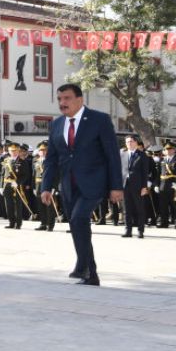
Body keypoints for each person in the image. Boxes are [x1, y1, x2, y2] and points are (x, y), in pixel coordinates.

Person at [40, 83, 124, 286]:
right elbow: (51, 159)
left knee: (78, 219)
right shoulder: (57, 124)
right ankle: (91, 274)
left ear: (80, 99)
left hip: (94, 182)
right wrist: (46, 186)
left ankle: (81, 264)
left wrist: (116, 186)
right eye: (60, 99)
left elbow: (112, 155)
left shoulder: (99, 120)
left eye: (67, 98)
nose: (62, 103)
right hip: (69, 185)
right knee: (78, 226)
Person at [121, 135, 149, 238]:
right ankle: (128, 230)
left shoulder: (142, 155)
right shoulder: (122, 154)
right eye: (127, 142)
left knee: (139, 209)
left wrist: (144, 187)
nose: (129, 143)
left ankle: (140, 230)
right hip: (125, 185)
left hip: (138, 186)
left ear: (136, 143)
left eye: (131, 141)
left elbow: (145, 172)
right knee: (126, 209)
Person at [2, 141, 29, 229]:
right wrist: (1, 186)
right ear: (9, 151)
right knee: (8, 205)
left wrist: (17, 182)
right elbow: (2, 174)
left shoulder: (22, 162)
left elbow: (25, 175)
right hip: (7, 185)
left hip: (17, 186)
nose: (13, 152)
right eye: (11, 150)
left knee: (17, 205)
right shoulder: (6, 160)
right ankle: (11, 222)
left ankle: (18, 223)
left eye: (15, 150)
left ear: (18, 151)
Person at [156, 142, 176, 229]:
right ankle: (164, 222)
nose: (169, 151)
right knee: (163, 205)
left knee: (175, 206)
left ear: (174, 150)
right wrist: (156, 185)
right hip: (163, 185)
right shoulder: (162, 160)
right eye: (167, 149)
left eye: (170, 149)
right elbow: (158, 174)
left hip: (173, 185)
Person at [34, 142, 57, 231]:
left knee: (49, 206)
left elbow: (55, 175)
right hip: (38, 185)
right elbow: (34, 175)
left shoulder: (52, 161)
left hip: (49, 187)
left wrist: (54, 187)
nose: (42, 152)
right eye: (41, 150)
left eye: (44, 150)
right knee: (40, 206)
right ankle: (43, 223)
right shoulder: (36, 161)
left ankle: (50, 225)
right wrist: (33, 187)